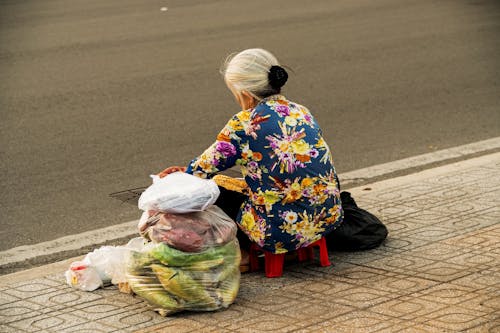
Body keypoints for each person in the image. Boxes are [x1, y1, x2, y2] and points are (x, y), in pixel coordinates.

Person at [159, 48, 343, 258]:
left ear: (245, 94)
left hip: (278, 232)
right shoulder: (301, 111)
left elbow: (202, 170)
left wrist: (182, 174)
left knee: (216, 195)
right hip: (328, 218)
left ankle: (244, 252)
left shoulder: (245, 123)